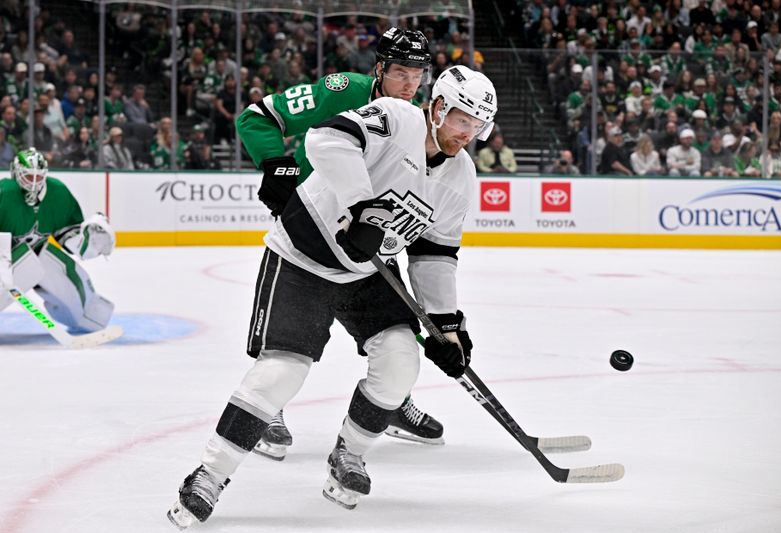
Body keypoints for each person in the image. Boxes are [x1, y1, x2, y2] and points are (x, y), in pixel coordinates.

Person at [167, 65, 496, 529]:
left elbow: (433, 254)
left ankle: (350, 454)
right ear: (439, 107)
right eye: (462, 119)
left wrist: (446, 325)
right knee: (282, 372)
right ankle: (209, 474)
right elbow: (325, 138)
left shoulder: (460, 176)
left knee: (402, 360)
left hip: (365, 272)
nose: (468, 133)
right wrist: (361, 205)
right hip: (304, 254)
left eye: (478, 126)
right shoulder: (397, 117)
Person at [236, 27, 441, 460]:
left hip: (365, 237)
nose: (409, 83)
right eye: (401, 71)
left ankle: (391, 400)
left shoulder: (418, 121)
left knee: (395, 328)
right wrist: (277, 166)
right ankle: (269, 405)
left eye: (418, 74)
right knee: (289, 332)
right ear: (381, 68)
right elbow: (256, 116)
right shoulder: (342, 89)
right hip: (309, 226)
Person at [0, 148, 115, 333]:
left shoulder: (57, 193)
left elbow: (67, 230)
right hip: (5, 260)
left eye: (39, 177)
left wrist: (86, 241)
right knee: (23, 265)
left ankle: (87, 318)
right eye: (29, 177)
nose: (35, 183)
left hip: (37, 254)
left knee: (83, 306)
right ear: (16, 173)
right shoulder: (4, 192)